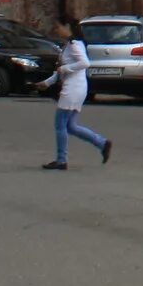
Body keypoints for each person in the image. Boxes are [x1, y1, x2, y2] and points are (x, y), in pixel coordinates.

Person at [44, 17, 111, 171]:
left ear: (67, 26)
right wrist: (47, 82)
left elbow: (85, 63)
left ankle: (61, 160)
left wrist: (65, 69)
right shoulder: (69, 45)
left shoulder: (74, 44)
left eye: (58, 26)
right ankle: (102, 143)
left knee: (60, 124)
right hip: (77, 88)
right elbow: (61, 69)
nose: (56, 30)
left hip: (73, 89)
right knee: (71, 126)